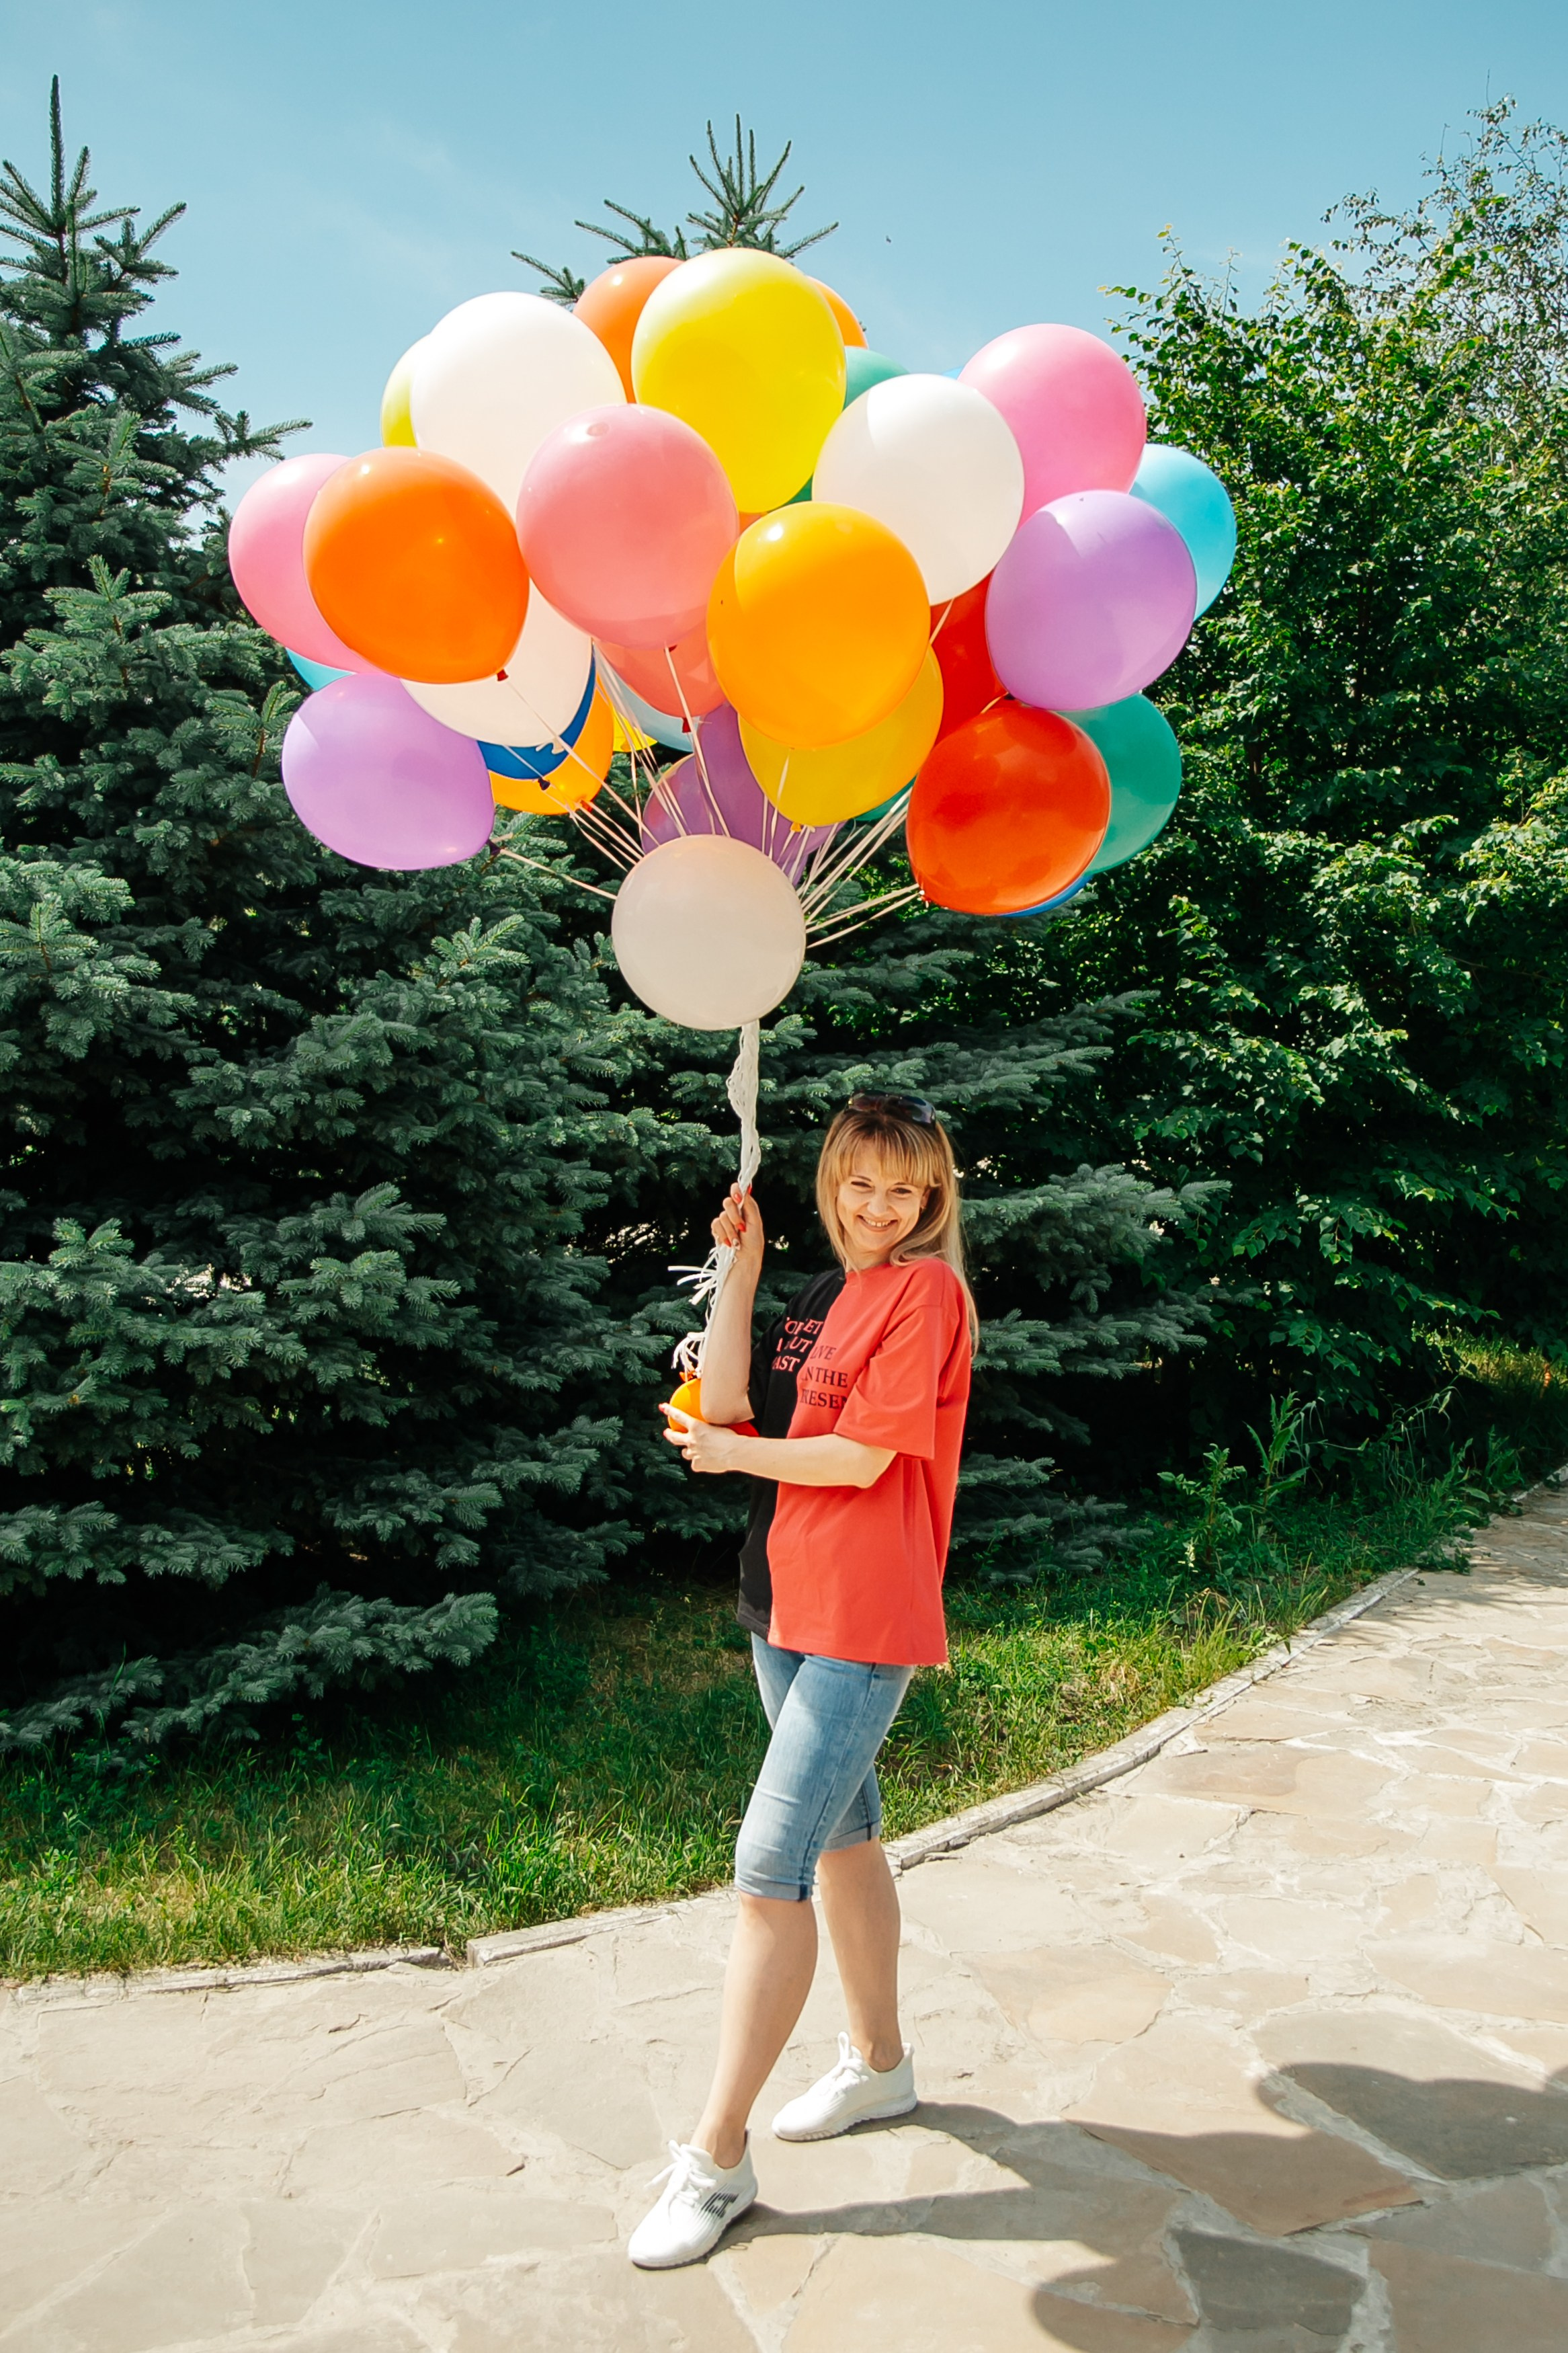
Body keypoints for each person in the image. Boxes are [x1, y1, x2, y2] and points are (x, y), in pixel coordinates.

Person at [628, 1090, 976, 2270]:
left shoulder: (924, 1293)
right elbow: (722, 1403)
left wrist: (734, 1454)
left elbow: (865, 1452)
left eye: (904, 1189)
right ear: (827, 1184)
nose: (880, 1207)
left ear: (932, 1198)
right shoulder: (826, 1296)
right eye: (859, 1184)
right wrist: (741, 1271)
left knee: (766, 1865)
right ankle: (881, 2068)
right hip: (782, 1596)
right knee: (844, 1839)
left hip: (862, 1615)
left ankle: (713, 2156)